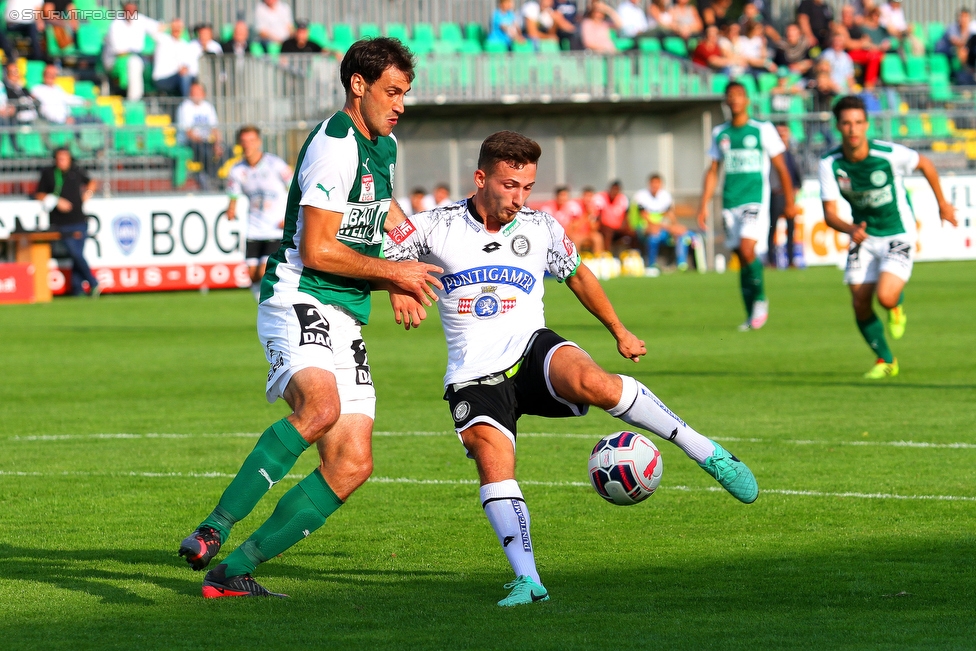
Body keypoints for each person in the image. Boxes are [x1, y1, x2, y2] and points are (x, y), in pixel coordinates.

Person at [383, 130, 759, 607]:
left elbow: (578, 275)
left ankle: (707, 452)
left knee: (595, 383)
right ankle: (528, 580)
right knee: (494, 463)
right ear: (480, 178)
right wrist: (397, 284)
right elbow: (385, 254)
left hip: (530, 348)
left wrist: (619, 330)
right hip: (473, 374)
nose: (519, 198)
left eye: (526, 187)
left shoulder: (541, 227)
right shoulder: (435, 225)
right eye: (508, 186)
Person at [178, 37, 443, 599]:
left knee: (353, 463)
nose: (400, 105)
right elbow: (319, 248)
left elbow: (381, 205)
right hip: (299, 292)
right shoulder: (335, 145)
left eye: (406, 95)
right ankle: (213, 529)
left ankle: (232, 573)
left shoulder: (383, 144)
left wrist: (399, 259)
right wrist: (395, 275)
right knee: (320, 408)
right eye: (392, 92)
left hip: (345, 308)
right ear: (358, 85)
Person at [819, 95, 957, 379]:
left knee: (885, 296)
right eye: (846, 123)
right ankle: (886, 359)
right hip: (863, 237)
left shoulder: (888, 154)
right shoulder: (829, 163)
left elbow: (926, 165)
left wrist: (942, 204)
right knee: (859, 302)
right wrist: (850, 230)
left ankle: (896, 305)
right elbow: (830, 214)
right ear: (838, 127)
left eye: (858, 122)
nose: (853, 129)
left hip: (897, 231)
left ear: (867, 125)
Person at [696, 81, 796, 331]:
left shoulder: (762, 130)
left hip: (755, 201)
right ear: (726, 101)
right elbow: (713, 171)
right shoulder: (721, 133)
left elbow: (782, 168)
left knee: (747, 248)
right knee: (741, 257)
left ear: (747, 100)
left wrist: (790, 201)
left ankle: (761, 299)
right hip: (730, 202)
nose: (735, 100)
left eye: (740, 95)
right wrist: (703, 204)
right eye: (731, 96)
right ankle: (750, 312)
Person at [226, 125, 293, 300]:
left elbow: (295, 188)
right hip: (254, 229)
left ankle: (274, 304)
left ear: (259, 142)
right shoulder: (237, 170)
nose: (247, 145)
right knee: (252, 274)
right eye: (244, 141)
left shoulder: (275, 164)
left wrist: (289, 217)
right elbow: (233, 193)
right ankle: (264, 305)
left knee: (265, 270)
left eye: (251, 141)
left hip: (276, 227)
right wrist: (231, 208)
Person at [35, 148, 100, 297]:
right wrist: (56, 201)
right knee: (75, 253)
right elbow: (39, 194)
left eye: (64, 158)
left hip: (79, 219)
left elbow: (91, 182)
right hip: (61, 222)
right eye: (59, 159)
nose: (62, 162)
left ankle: (77, 290)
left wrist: (87, 194)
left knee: (77, 255)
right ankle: (93, 282)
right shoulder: (48, 174)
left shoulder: (76, 171)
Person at [102, 1, 159, 101]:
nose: (131, 13)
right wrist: (141, 54)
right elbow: (120, 52)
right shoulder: (116, 24)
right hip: (115, 62)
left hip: (135, 57)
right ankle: (134, 101)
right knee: (135, 63)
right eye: (128, 10)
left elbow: (159, 27)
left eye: (133, 11)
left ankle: (154, 94)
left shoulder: (140, 19)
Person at [633, 173, 690, 270]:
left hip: (663, 229)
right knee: (654, 236)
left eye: (657, 183)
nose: (655, 186)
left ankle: (681, 264)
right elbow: (645, 218)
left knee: (681, 235)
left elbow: (670, 215)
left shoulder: (665, 196)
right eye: (653, 183)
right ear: (649, 184)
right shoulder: (641, 196)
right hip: (645, 230)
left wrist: (675, 227)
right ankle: (652, 265)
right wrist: (667, 227)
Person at [176, 81, 223, 190]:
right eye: (192, 92)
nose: (195, 94)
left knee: (226, 150)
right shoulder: (184, 107)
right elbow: (189, 133)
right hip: (189, 142)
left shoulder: (208, 107)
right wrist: (206, 142)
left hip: (206, 141)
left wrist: (218, 143)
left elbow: (215, 129)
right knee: (206, 152)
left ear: (203, 94)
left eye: (197, 92)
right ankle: (209, 179)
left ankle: (208, 176)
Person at [767, 123, 801, 268]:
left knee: (791, 229)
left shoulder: (792, 156)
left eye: (784, 133)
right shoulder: (770, 157)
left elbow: (799, 178)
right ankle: (770, 261)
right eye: (779, 134)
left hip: (789, 197)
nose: (781, 137)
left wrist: (794, 191)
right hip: (775, 195)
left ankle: (791, 260)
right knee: (772, 228)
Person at [151, 18, 197, 97]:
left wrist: (185, 69)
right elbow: (153, 31)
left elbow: (191, 66)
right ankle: (186, 104)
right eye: (175, 27)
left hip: (178, 77)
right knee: (185, 77)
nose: (177, 29)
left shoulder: (185, 45)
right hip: (162, 78)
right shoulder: (164, 39)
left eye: (179, 27)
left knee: (192, 78)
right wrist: (169, 24)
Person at [596, 179, 631, 253]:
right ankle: (606, 254)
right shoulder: (602, 197)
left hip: (618, 228)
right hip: (605, 228)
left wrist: (624, 226)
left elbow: (626, 216)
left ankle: (631, 256)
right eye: (613, 189)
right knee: (608, 233)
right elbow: (598, 217)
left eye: (616, 190)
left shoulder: (623, 199)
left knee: (632, 233)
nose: (614, 192)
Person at [3, 61, 39, 125]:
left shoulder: (24, 89)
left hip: (30, 119)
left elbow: (33, 100)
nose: (15, 75)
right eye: (12, 73)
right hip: (15, 122)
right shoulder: (4, 89)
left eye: (16, 72)